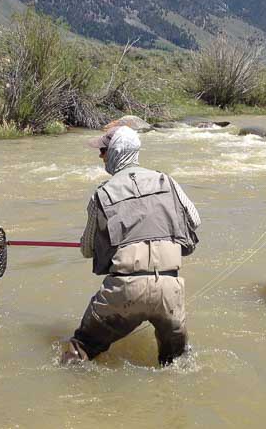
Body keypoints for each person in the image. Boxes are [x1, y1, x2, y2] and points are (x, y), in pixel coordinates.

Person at [62, 125, 201, 366]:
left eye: (103, 150)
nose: (100, 156)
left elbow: (87, 250)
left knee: (80, 350)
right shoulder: (168, 181)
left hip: (124, 290)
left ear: (115, 152)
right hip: (169, 288)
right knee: (176, 364)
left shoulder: (101, 195)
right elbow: (195, 221)